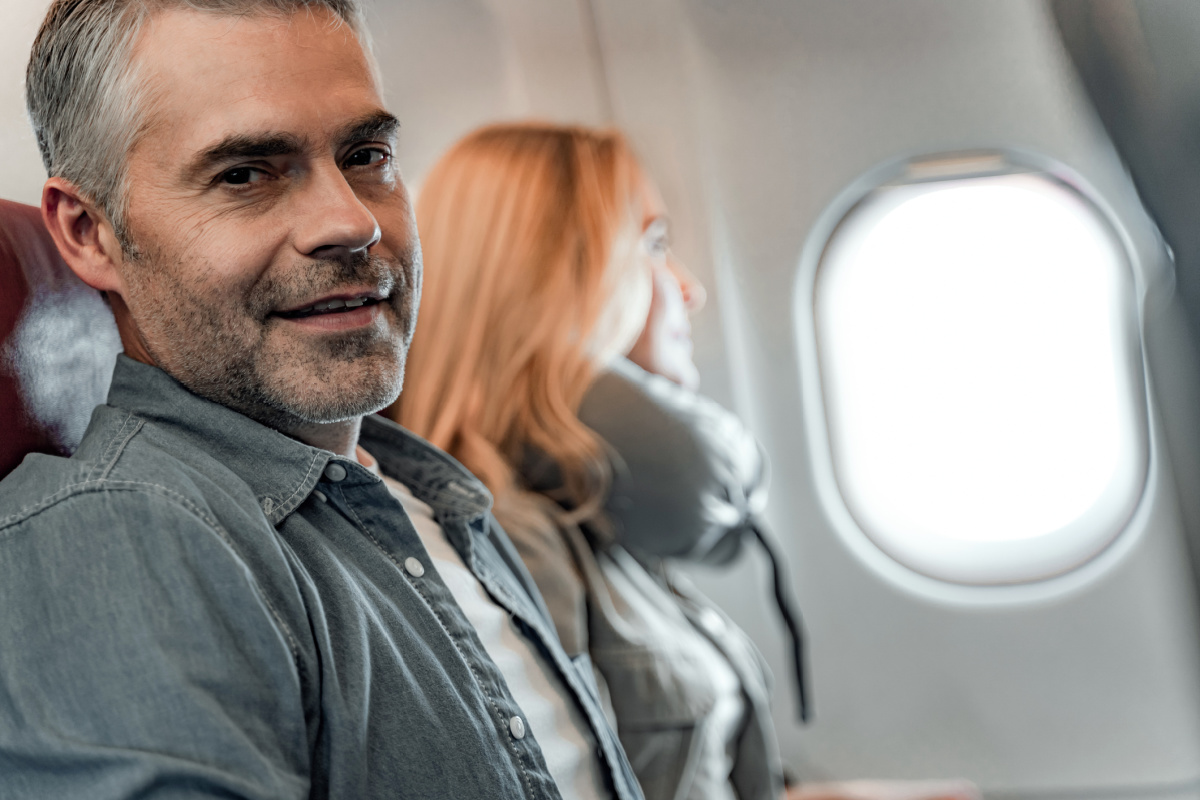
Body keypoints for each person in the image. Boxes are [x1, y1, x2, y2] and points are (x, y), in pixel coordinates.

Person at [0, 3, 645, 799]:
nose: (351, 221)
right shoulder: (120, 534)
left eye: (366, 154)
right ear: (91, 232)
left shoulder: (423, 489)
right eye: (245, 174)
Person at [389, 122, 980, 800]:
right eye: (655, 245)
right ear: (559, 278)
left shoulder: (591, 510)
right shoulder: (509, 540)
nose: (690, 289)